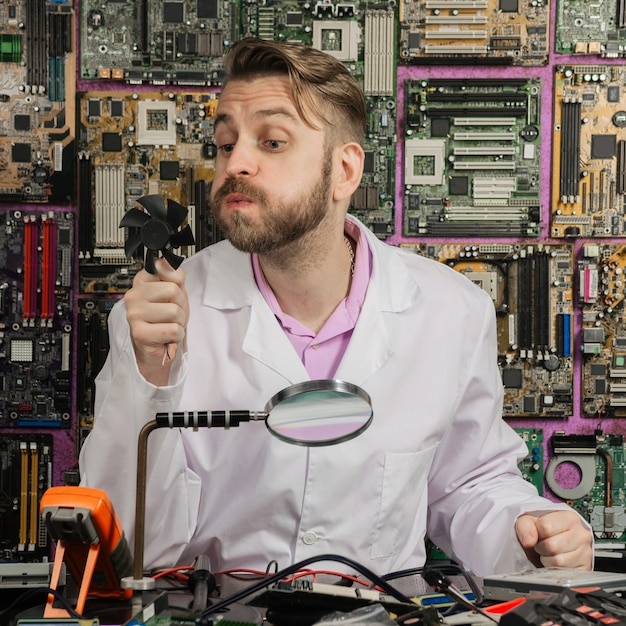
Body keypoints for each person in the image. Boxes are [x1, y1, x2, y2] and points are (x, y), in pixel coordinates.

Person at [79, 37, 593, 578]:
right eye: (226, 143)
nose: (237, 164)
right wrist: (153, 381)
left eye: (272, 142)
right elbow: (122, 547)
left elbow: (467, 486)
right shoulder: (160, 320)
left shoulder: (451, 312)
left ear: (345, 172)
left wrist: (527, 529)